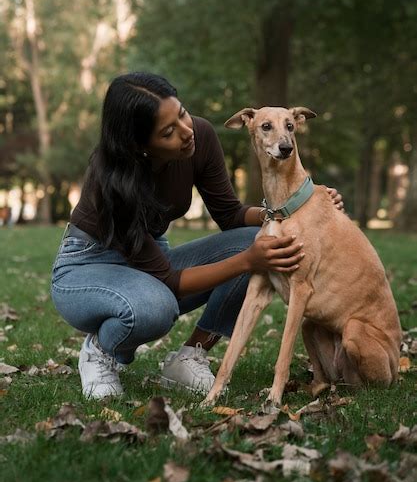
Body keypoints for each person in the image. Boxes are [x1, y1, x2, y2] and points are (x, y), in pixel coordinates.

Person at [51, 72, 343, 399]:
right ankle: (101, 351)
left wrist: (294, 207)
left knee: (257, 237)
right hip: (87, 266)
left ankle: (191, 355)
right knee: (154, 308)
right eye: (168, 132)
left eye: (182, 113)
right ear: (139, 146)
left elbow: (230, 214)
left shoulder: (199, 135)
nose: (186, 131)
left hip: (149, 260)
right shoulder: (113, 182)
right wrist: (247, 262)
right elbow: (170, 282)